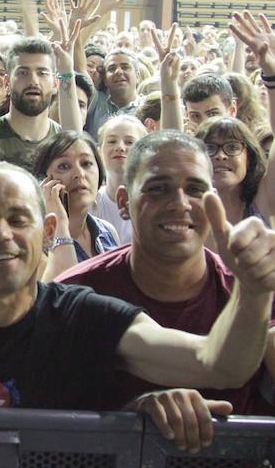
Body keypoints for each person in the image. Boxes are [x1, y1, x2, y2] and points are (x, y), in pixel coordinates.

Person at [0, 159, 275, 453]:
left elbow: (218, 364)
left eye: (18, 219)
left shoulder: (87, 316)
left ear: (48, 231)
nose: (1, 234)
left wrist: (253, 291)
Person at [57, 130, 275, 415]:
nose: (179, 204)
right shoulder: (74, 295)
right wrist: (130, 418)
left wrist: (256, 291)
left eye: (196, 190)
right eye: (158, 188)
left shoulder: (254, 287)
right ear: (124, 202)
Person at [34, 131, 120, 280]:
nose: (79, 174)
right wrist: (59, 226)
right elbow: (62, 296)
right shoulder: (37, 243)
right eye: (64, 166)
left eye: (86, 164)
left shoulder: (107, 231)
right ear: (44, 181)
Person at [0, 37, 61, 172]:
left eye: (42, 73)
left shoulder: (63, 142)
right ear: (7, 83)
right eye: (23, 73)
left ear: (55, 84)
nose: (33, 81)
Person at [93, 115, 147, 245]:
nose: (120, 148)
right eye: (112, 141)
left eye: (129, 142)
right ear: (99, 152)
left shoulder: (151, 203)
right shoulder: (91, 201)